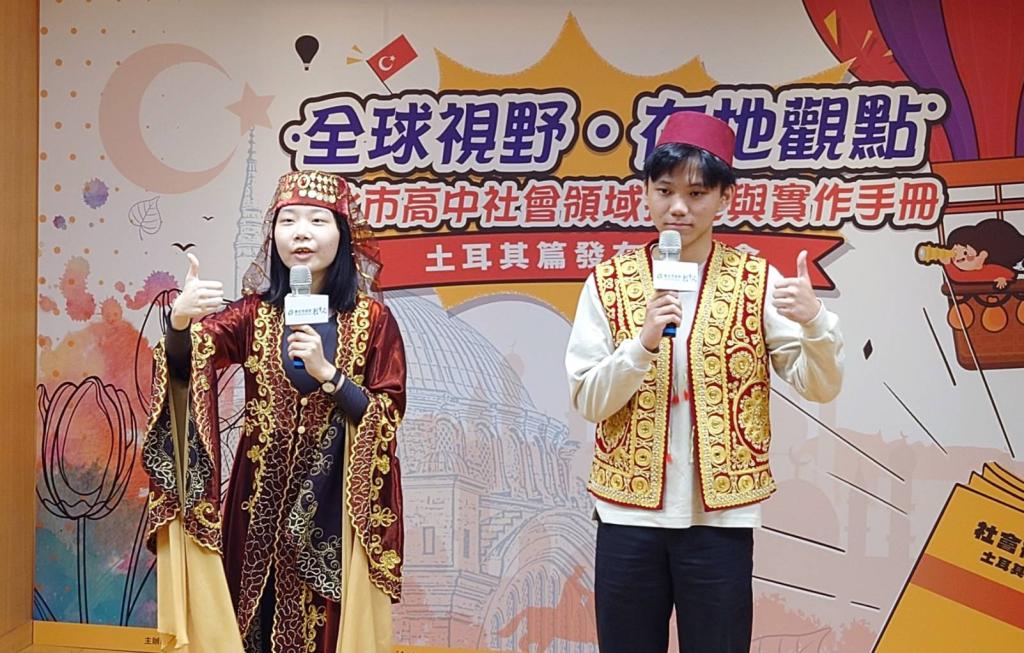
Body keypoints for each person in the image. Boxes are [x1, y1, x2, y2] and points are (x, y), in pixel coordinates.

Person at [564, 112, 844, 653]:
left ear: (724, 199)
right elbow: (588, 399)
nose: (678, 208)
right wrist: (642, 344)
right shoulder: (609, 282)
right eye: (665, 190)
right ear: (645, 193)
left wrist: (816, 323)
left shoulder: (755, 281)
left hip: (719, 520)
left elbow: (819, 387)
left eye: (696, 194)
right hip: (628, 516)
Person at [142, 170, 406, 653]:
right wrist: (179, 321)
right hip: (257, 500)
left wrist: (330, 376)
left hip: (333, 504)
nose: (302, 233)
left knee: (325, 626)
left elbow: (386, 414)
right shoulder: (253, 314)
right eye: (289, 221)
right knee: (250, 617)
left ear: (342, 235)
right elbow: (188, 361)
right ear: (273, 235)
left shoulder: (372, 320)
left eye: (317, 221)